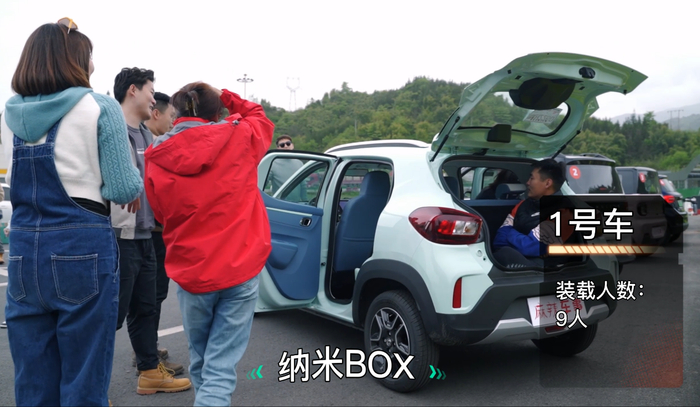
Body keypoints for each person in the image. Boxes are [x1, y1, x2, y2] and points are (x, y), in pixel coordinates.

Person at [1, 18, 143, 405]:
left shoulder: (10, 114)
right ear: (75, 59)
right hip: (80, 246)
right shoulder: (98, 106)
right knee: (83, 376)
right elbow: (123, 188)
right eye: (89, 55)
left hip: (24, 250)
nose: (92, 63)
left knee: (33, 378)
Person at [144, 82, 274, 405]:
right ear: (216, 112)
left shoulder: (157, 156)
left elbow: (160, 214)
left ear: (175, 113)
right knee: (220, 369)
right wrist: (226, 94)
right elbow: (259, 116)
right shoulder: (240, 136)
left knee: (202, 358)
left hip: (192, 273)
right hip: (240, 269)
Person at [112, 68, 191, 394]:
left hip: (146, 234)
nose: (152, 99)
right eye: (150, 90)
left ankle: (148, 371)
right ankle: (89, 389)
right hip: (119, 237)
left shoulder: (147, 136)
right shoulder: (112, 131)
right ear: (133, 90)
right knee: (110, 316)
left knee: (147, 307)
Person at [141, 91, 182, 375]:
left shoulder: (149, 142)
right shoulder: (149, 145)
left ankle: (148, 348)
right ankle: (147, 356)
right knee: (151, 297)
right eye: (171, 116)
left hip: (155, 231)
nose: (173, 122)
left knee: (153, 296)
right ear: (157, 113)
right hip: (151, 231)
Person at [492, 159, 573, 268]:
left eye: (532, 178)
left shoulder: (564, 212)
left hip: (549, 268)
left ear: (547, 183)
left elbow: (530, 247)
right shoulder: (522, 205)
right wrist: (523, 240)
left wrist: (511, 232)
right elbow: (499, 241)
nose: (527, 182)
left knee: (505, 253)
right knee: (503, 253)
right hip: (519, 262)